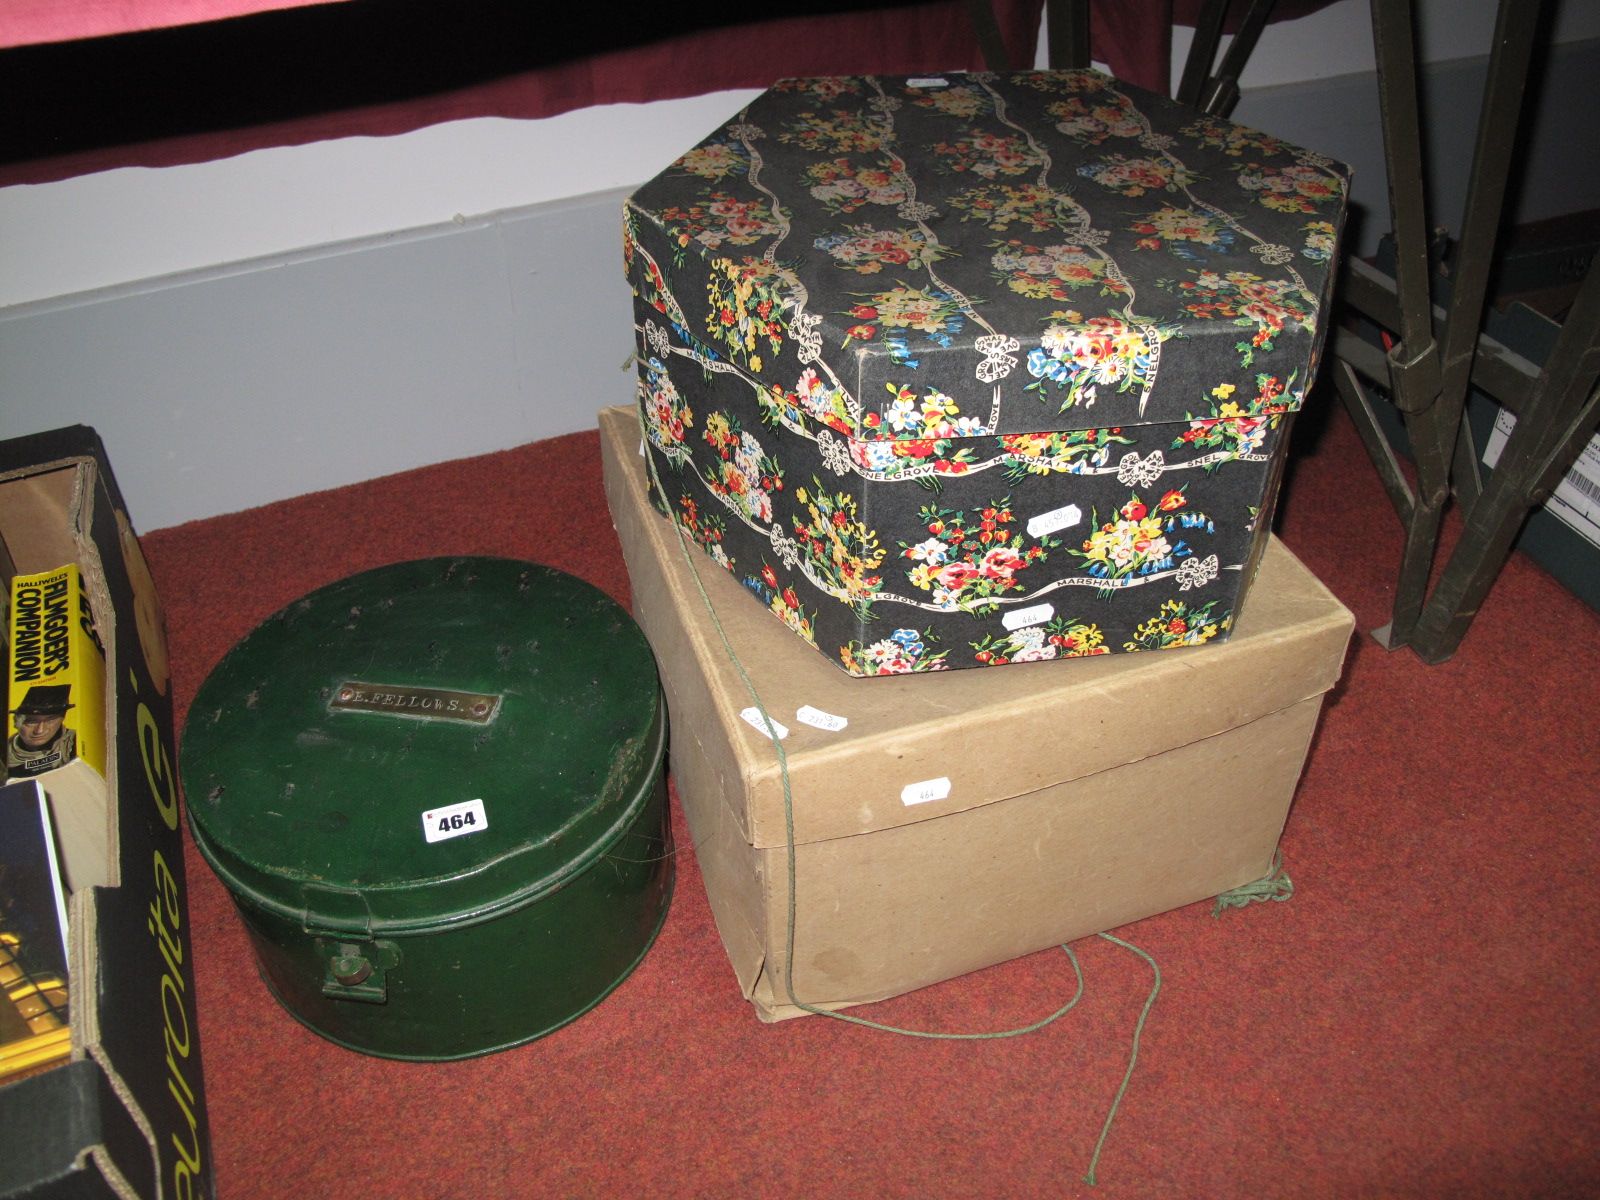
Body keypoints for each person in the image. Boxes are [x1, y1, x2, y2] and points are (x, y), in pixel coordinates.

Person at [6, 685, 77, 777]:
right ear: (16, 723)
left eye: (50, 720)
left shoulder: (74, 743)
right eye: (32, 722)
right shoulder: (4, 754)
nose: (40, 731)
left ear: (62, 719)